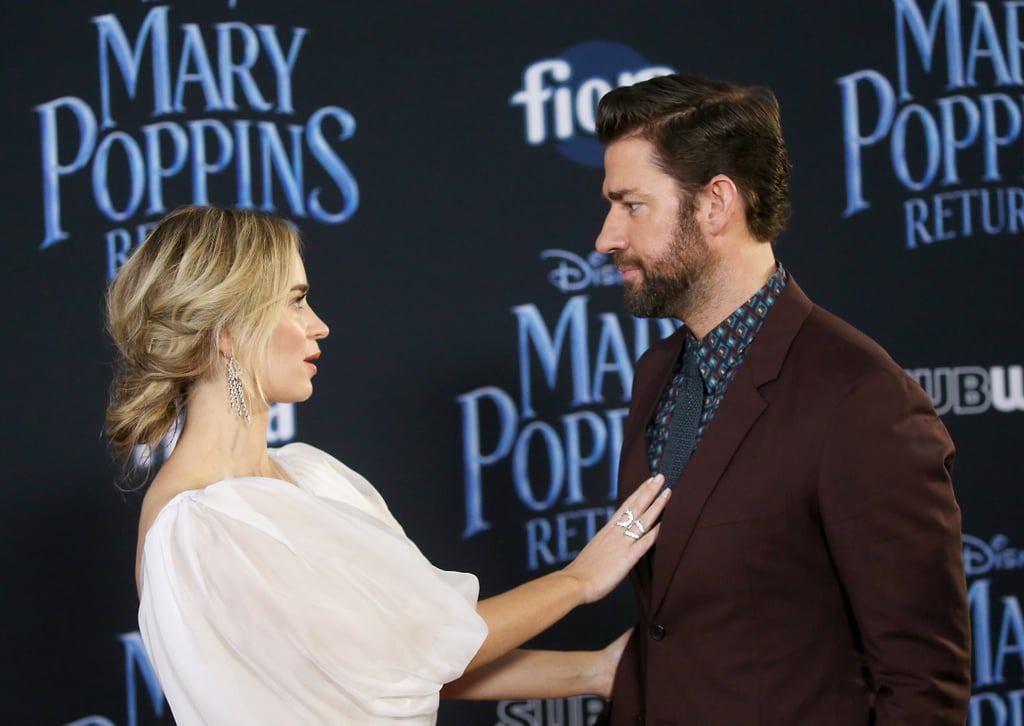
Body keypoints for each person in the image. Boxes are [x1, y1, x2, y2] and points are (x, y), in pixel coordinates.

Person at [104, 205, 671, 725]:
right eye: (296, 300)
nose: (318, 325)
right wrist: (579, 581)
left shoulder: (310, 473)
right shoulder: (203, 523)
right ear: (228, 330)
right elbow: (427, 645)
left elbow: (403, 663)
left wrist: (597, 671)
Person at [591, 74, 971, 724]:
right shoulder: (659, 371)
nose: (606, 237)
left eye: (631, 205)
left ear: (715, 205)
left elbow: (921, 682)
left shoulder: (859, 397)